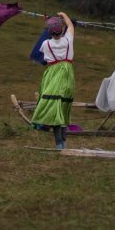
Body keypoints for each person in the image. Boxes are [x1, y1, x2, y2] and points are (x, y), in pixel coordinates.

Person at [31, 11, 75, 150]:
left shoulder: (46, 44)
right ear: (62, 30)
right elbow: (70, 25)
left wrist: (50, 23)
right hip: (68, 74)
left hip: (53, 74)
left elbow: (50, 36)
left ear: (49, 31)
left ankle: (58, 143)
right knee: (62, 107)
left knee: (54, 105)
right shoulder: (68, 40)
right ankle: (63, 143)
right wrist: (63, 15)